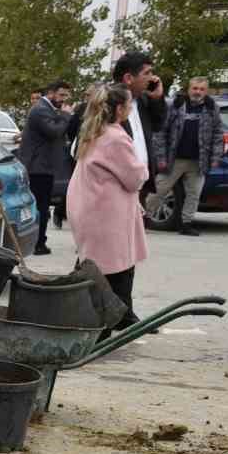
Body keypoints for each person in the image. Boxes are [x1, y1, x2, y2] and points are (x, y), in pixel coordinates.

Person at [67, 84, 147, 328]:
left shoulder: (94, 130)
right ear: (120, 109)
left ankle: (120, 318)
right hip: (105, 214)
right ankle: (108, 323)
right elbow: (134, 177)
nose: (131, 108)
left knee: (98, 265)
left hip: (90, 207)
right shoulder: (115, 137)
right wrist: (143, 169)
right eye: (129, 104)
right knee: (114, 270)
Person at [69, 51, 165, 198]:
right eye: (147, 73)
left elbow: (158, 126)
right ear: (128, 78)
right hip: (112, 191)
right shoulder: (104, 104)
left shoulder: (143, 101)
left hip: (139, 187)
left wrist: (157, 99)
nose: (152, 78)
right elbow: (79, 149)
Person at [146, 76, 224, 237]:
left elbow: (217, 134)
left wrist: (216, 158)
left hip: (198, 161)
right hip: (174, 159)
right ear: (189, 89)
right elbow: (161, 132)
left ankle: (186, 224)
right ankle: (140, 219)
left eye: (202, 89)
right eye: (195, 88)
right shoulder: (176, 105)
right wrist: (160, 157)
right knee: (159, 190)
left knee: (194, 194)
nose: (198, 92)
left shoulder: (212, 108)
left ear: (206, 91)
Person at [19, 80, 73, 255]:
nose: (64, 99)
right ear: (51, 93)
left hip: (42, 166)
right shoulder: (42, 109)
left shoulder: (46, 108)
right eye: (62, 95)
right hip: (38, 167)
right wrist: (65, 115)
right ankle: (38, 244)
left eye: (67, 95)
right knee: (41, 207)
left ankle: (39, 241)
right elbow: (54, 131)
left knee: (41, 206)